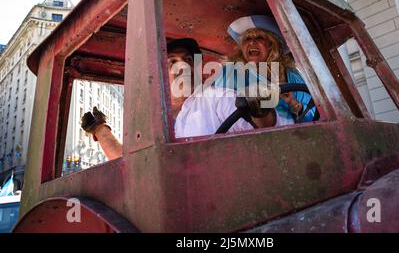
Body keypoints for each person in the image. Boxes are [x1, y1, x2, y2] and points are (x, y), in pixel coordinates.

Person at [81, 38, 283, 160]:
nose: (182, 67)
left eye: (188, 60)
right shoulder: (152, 120)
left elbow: (267, 127)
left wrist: (262, 112)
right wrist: (100, 130)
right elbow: (128, 162)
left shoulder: (215, 99)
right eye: (172, 62)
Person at [216, 15, 317, 123]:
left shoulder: (293, 74)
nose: (251, 43)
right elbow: (220, 113)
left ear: (273, 44)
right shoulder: (230, 74)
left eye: (259, 38)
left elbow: (315, 117)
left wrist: (293, 103)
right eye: (247, 39)